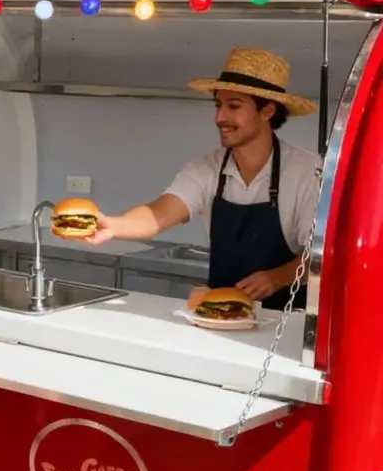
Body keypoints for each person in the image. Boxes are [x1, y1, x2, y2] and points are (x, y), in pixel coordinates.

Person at [86, 47, 321, 310]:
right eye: (218, 105)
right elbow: (160, 212)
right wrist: (114, 225)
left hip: (286, 320)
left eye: (234, 106)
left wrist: (277, 277)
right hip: (220, 316)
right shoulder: (208, 168)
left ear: (267, 111)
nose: (219, 118)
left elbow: (323, 256)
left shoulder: (305, 172)